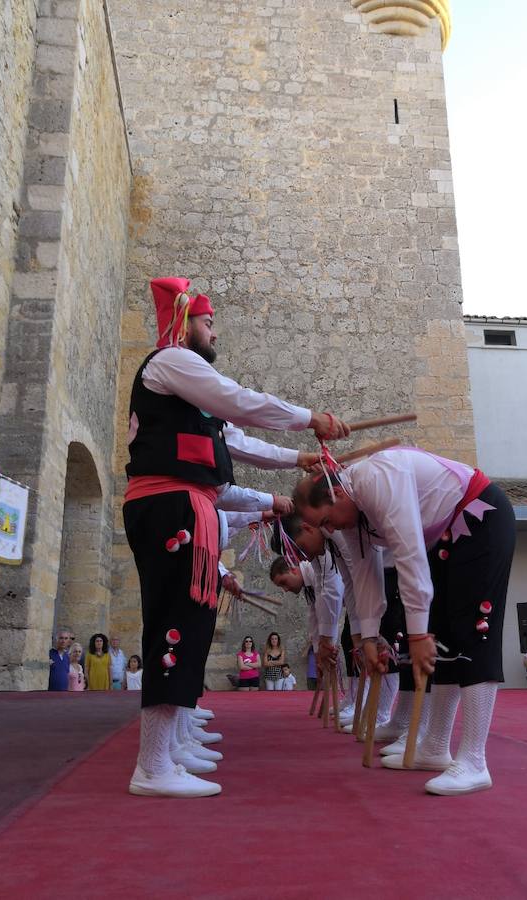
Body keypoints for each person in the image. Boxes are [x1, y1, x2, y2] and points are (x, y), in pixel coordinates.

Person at [122, 275, 348, 798]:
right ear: (183, 322)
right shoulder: (172, 361)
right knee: (174, 626)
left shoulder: (188, 388)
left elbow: (236, 438)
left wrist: (299, 456)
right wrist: (307, 419)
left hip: (187, 507)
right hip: (170, 505)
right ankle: (152, 764)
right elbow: (239, 402)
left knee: (189, 625)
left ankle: (170, 748)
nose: (215, 334)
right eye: (208, 322)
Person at [296, 445, 516, 796]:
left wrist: (415, 635)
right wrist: (368, 638)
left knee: (475, 631)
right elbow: (366, 575)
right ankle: (435, 746)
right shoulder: (352, 514)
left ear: (336, 493)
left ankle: (475, 759)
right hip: (443, 537)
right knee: (442, 637)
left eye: (326, 520)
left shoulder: (375, 479)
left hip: (479, 515)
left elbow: (408, 552)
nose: (330, 528)